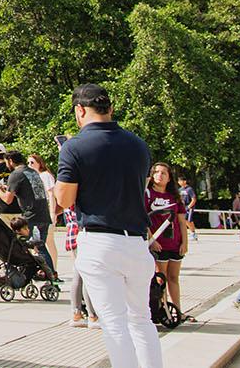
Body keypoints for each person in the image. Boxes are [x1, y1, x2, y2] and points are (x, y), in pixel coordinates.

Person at [55, 83, 163, 368]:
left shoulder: (74, 146)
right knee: (141, 320)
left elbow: (65, 199)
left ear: (80, 110)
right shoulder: (138, 145)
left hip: (101, 240)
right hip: (137, 242)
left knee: (115, 325)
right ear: (110, 108)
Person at [146, 161, 194, 312]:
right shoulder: (147, 194)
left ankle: (177, 310)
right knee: (161, 278)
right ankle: (163, 309)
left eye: (163, 173)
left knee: (173, 277)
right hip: (157, 243)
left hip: (174, 242)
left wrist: (184, 243)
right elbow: (143, 218)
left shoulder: (174, 196)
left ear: (169, 178)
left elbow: (181, 221)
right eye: (157, 172)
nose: (159, 175)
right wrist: (151, 239)